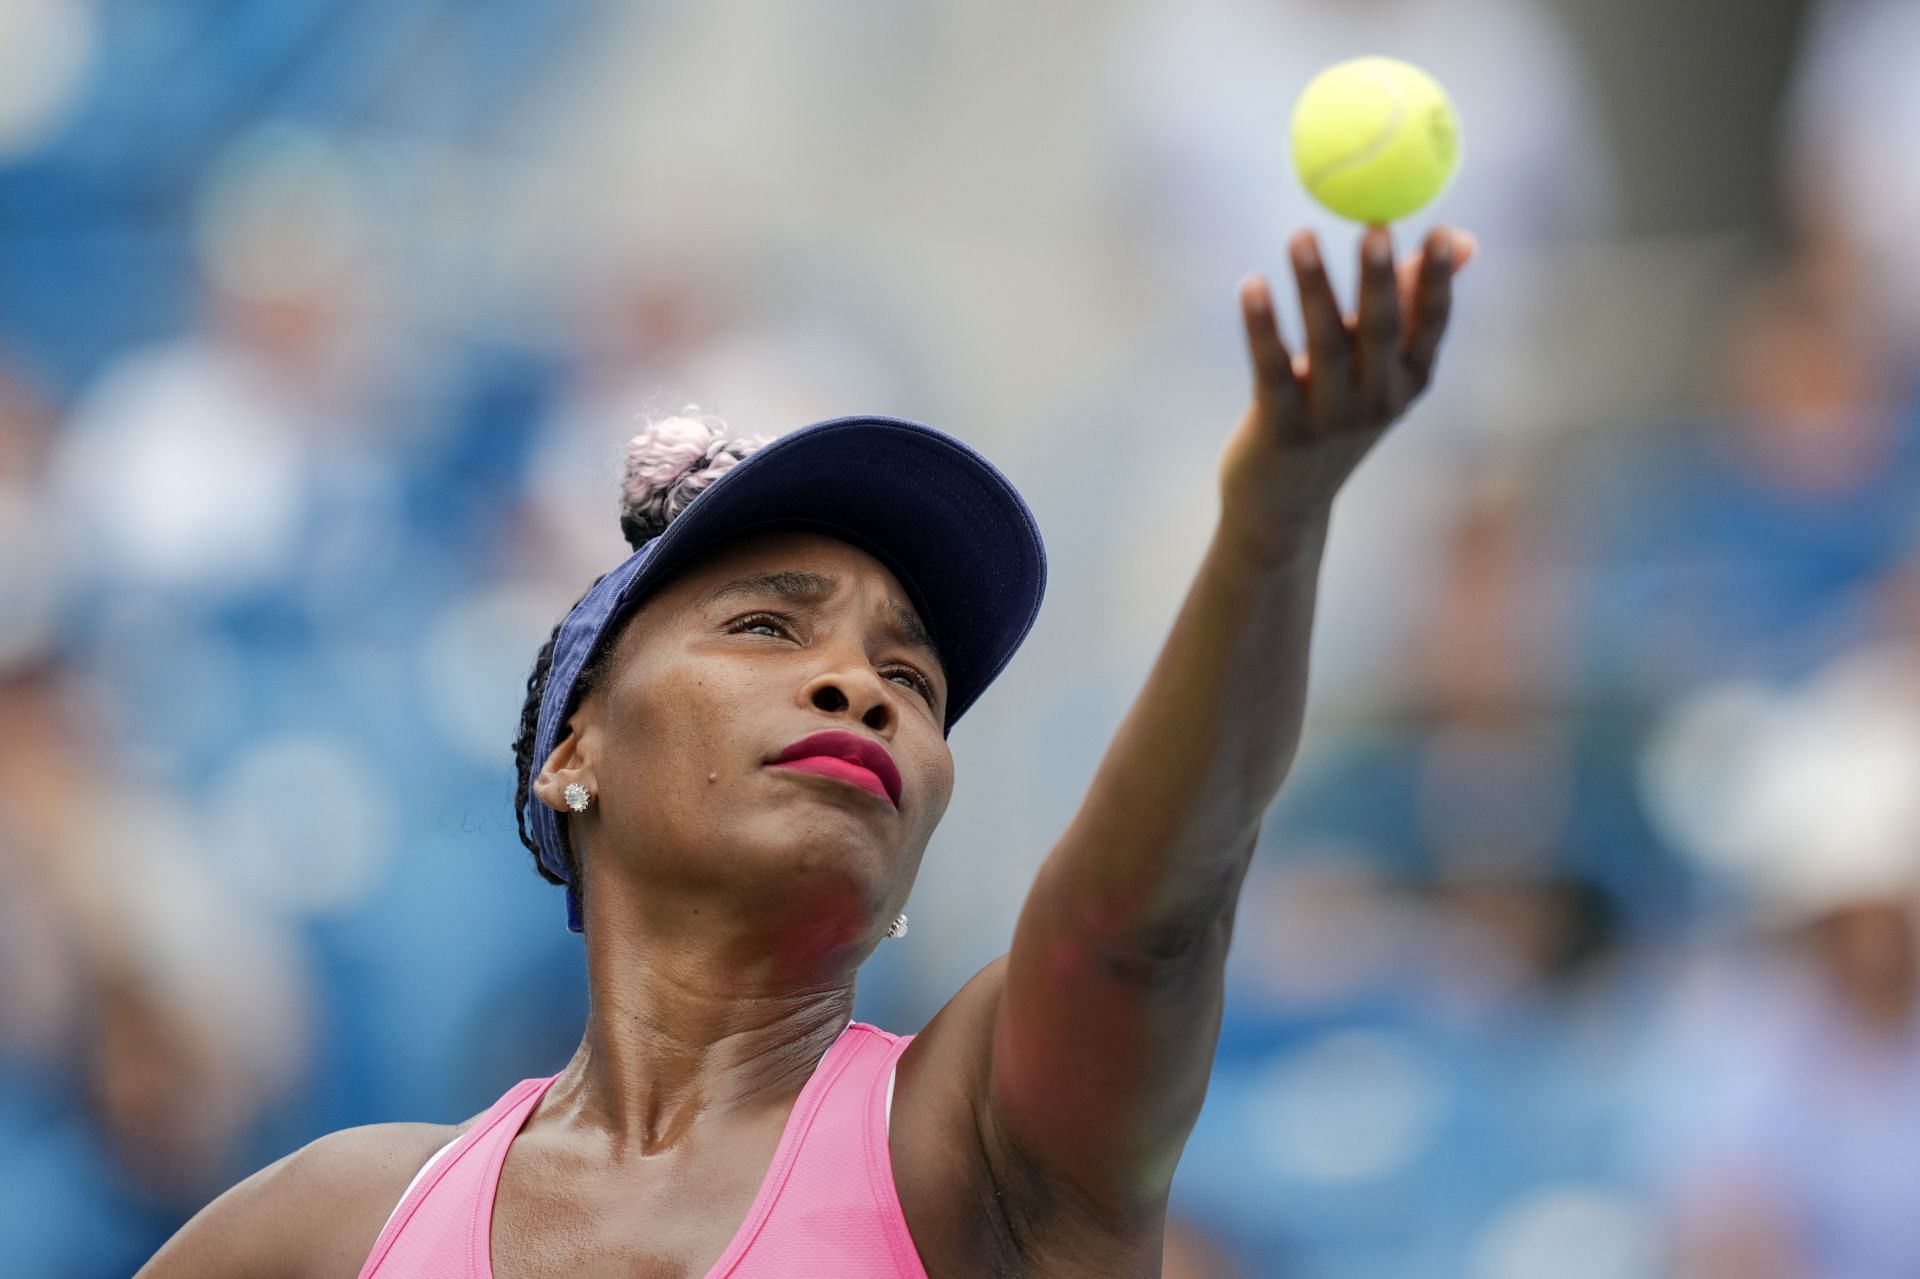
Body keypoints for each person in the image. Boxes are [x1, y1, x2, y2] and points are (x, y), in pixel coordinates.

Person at [137, 222, 1471, 1277]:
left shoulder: (982, 1147)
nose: (858, 684)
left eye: (913, 677)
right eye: (769, 624)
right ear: (572, 748)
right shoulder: (326, 1229)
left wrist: (1271, 530)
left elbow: (1141, 931)